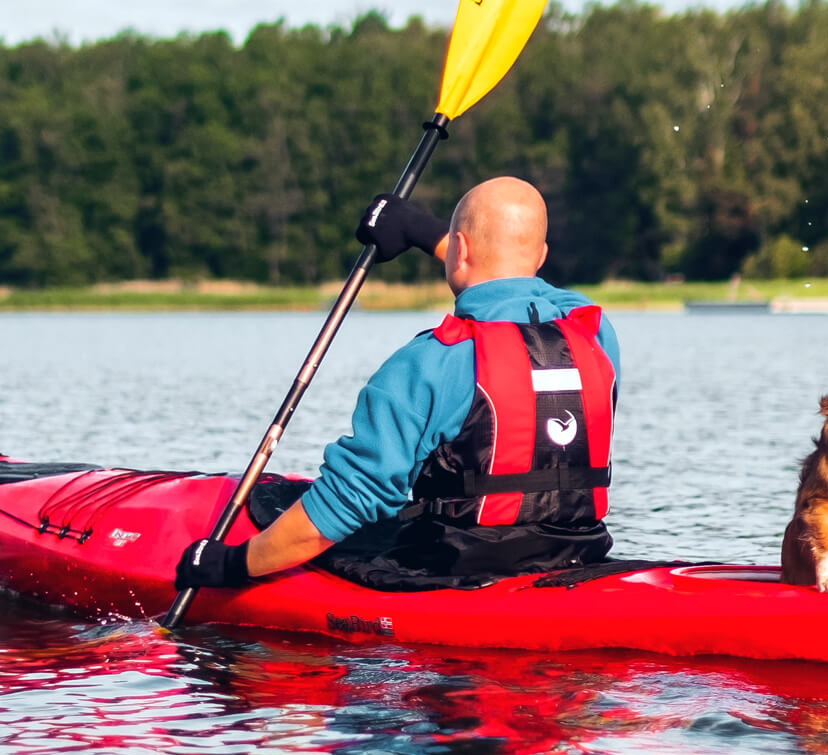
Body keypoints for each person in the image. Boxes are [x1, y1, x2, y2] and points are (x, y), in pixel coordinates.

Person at [175, 177, 621, 590]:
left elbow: (346, 502)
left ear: (460, 250)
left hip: (459, 571)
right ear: (541, 257)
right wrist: (419, 231)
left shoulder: (430, 362)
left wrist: (229, 565)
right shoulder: (596, 335)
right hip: (577, 556)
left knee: (284, 503)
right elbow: (538, 293)